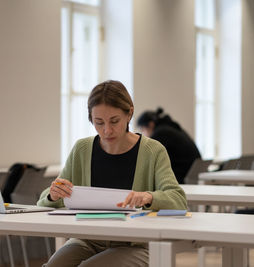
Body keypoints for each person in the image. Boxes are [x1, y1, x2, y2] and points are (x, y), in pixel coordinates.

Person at [37, 80, 187, 267]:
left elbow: (178, 200)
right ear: (91, 119)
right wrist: (53, 194)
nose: (107, 130)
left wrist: (148, 197)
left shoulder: (153, 151)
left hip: (136, 245)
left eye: (114, 121)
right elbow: (48, 201)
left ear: (129, 113)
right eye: (99, 122)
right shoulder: (82, 149)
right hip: (89, 239)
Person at [137, 107, 201, 184]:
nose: (143, 134)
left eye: (142, 130)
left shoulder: (161, 133)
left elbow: (148, 159)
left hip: (182, 176)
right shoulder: (172, 128)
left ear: (150, 125)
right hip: (193, 172)